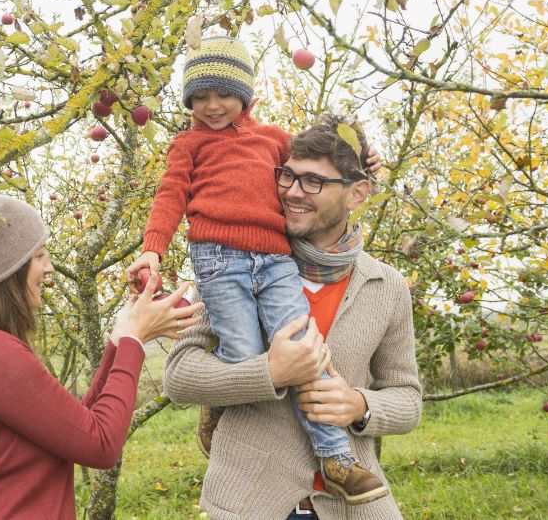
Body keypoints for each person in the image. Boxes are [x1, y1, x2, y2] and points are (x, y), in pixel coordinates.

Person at [125, 36, 385, 504]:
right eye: (199, 97)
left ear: (246, 95)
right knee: (245, 354)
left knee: (305, 349)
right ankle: (221, 408)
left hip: (275, 258)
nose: (211, 106)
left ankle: (338, 460)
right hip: (217, 261)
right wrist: (152, 251)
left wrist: (363, 160)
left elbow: (321, 166)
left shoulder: (274, 139)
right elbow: (170, 196)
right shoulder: (187, 144)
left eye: (222, 94)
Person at [163, 114, 423, 520]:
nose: (293, 192)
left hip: (351, 507)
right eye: (288, 176)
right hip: (250, 503)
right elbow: (179, 374)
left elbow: (407, 398)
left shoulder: (384, 286)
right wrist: (268, 372)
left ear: (358, 193)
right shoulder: (236, 263)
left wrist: (359, 406)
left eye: (314, 182)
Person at [0, 194, 203, 520]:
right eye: (39, 256)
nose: (50, 267)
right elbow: (101, 444)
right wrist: (135, 340)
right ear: (6, 270)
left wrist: (120, 339)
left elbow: (77, 426)